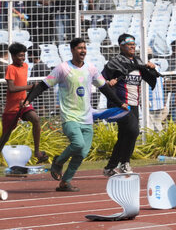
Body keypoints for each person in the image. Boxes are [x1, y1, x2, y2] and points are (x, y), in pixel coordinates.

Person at [21, 38, 125, 192]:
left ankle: (65, 182)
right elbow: (43, 86)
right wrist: (27, 100)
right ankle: (58, 162)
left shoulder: (91, 68)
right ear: (72, 50)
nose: (83, 51)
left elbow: (104, 88)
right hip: (69, 117)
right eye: (79, 48)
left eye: (84, 48)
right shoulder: (62, 69)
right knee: (78, 144)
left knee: (81, 153)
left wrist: (119, 103)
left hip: (87, 117)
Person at [101, 33, 161, 176]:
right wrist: (109, 83)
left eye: (134, 44)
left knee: (124, 136)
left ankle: (110, 167)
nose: (133, 47)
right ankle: (125, 163)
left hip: (134, 104)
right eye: (129, 44)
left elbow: (150, 76)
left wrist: (152, 68)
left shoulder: (137, 61)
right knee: (134, 131)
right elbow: (101, 80)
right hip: (121, 104)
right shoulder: (114, 62)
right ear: (121, 46)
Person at [1, 43, 48, 164]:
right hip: (12, 108)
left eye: (24, 55)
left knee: (36, 119)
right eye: (20, 56)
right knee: (5, 136)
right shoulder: (10, 68)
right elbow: (11, 88)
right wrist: (31, 86)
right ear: (13, 56)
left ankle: (37, 153)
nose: (23, 58)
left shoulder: (26, 66)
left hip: (24, 103)